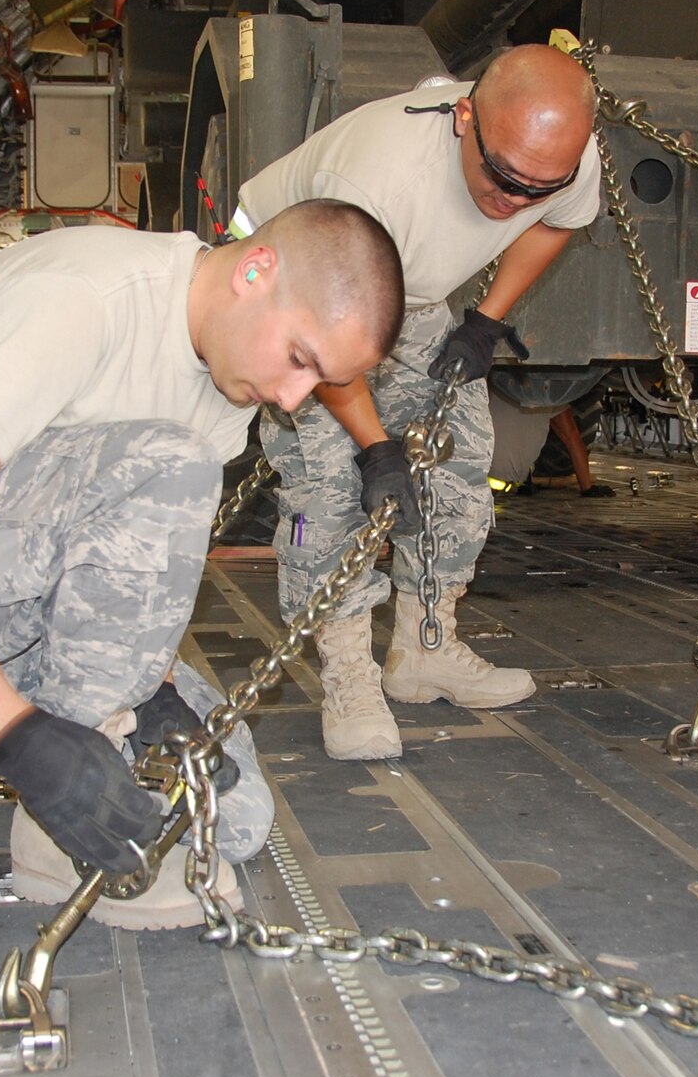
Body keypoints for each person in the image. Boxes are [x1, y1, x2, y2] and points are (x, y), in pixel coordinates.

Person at [0, 201, 403, 929]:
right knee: (168, 466)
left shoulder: (227, 378)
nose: (292, 397)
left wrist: (155, 689)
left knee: (237, 817)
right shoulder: (81, 302)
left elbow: (127, 568)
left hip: (8, 587)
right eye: (301, 359)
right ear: (255, 269)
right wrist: (19, 739)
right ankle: (47, 830)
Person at [230, 43, 602, 761]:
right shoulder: (374, 178)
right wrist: (375, 446)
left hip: (408, 286)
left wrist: (486, 319)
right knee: (329, 481)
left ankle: (424, 648)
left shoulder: (562, 160)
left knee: (459, 457)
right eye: (501, 177)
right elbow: (325, 338)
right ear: (465, 118)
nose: (514, 201)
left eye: (538, 186)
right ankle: (348, 674)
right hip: (295, 282)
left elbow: (559, 224)